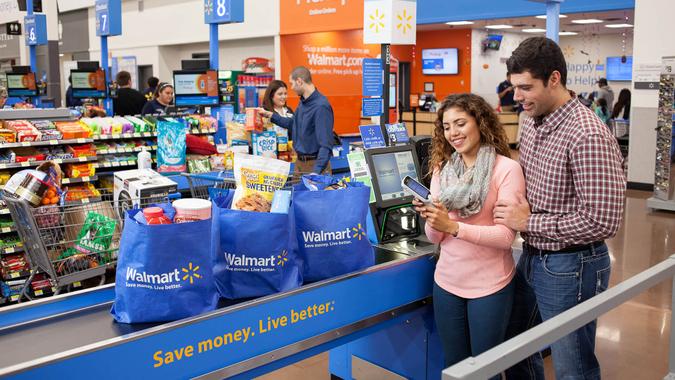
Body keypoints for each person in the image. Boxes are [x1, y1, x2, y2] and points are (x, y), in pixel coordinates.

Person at [493, 37, 626, 380]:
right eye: (513, 87)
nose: (517, 96)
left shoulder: (586, 134)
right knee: (514, 346)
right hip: (533, 256)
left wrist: (530, 221)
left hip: (574, 265)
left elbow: (603, 220)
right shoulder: (532, 121)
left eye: (525, 87)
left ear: (554, 79)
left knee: (572, 366)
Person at [413, 93, 525, 380]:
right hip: (447, 283)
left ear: (480, 121)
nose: (454, 133)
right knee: (454, 366)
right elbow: (435, 237)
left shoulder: (506, 169)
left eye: (460, 123)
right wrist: (434, 218)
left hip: (491, 287)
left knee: (484, 370)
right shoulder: (443, 170)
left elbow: (504, 237)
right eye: (447, 127)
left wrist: (454, 227)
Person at [258, 67, 334, 174]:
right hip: (299, 163)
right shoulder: (303, 103)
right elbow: (293, 124)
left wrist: (316, 172)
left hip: (314, 165)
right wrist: (270, 115)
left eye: (292, 83)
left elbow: (326, 144)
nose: (292, 88)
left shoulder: (321, 106)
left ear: (299, 81)